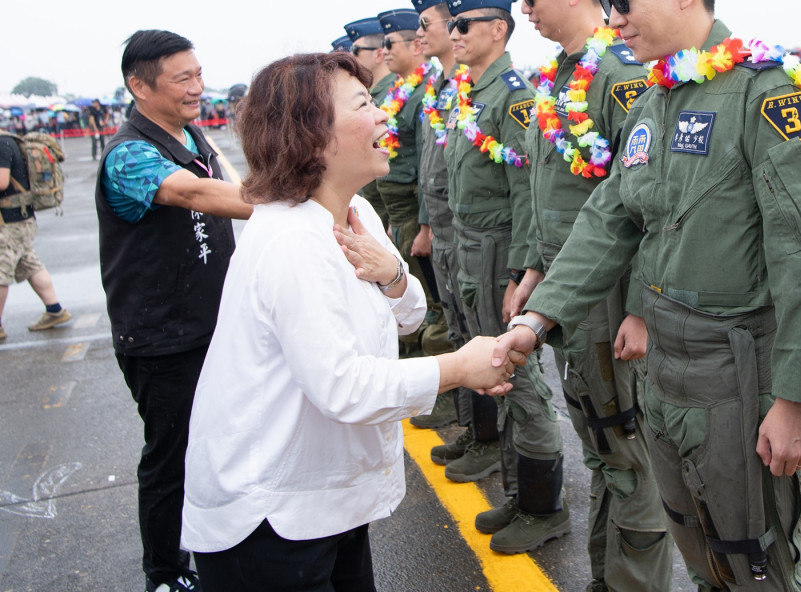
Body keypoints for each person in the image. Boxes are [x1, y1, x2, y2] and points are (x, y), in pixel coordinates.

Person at [494, 0, 801, 591]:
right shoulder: (655, 99)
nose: (612, 17)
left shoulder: (763, 95)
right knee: (698, 555)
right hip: (666, 377)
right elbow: (611, 218)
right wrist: (539, 318)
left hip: (735, 377)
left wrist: (796, 399)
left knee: (753, 562)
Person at [180, 52, 514, 591]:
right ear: (313, 135)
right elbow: (343, 385)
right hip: (272, 517)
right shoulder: (292, 240)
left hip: (324, 501)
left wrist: (392, 278)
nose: (383, 115)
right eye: (364, 104)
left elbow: (408, 318)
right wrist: (457, 367)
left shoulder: (357, 214)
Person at [495, 0, 672, 591]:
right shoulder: (563, 76)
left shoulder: (619, 75)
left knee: (628, 451)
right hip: (571, 292)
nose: (525, 12)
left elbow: (646, 206)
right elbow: (557, 193)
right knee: (602, 445)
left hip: (612, 302)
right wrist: (536, 274)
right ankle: (608, 575)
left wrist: (642, 308)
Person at [97, 29, 253, 592]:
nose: (197, 87)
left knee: (217, 442)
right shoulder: (129, 154)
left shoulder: (189, 133)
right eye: (181, 78)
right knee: (172, 455)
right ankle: (164, 572)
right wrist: (290, 201)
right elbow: (193, 195)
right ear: (139, 86)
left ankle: (220, 545)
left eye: (198, 73)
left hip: (208, 323)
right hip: (161, 336)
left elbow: (226, 186)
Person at [440, 0, 568, 554]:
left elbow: (527, 191)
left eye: (464, 25)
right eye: (453, 25)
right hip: (471, 246)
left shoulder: (513, 97)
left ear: (497, 30)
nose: (453, 34)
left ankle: (544, 508)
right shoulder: (475, 92)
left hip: (500, 254)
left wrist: (522, 272)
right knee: (493, 375)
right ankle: (520, 495)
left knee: (518, 379)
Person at [407, 0, 484, 441]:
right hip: (444, 224)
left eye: (426, 24)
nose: (421, 35)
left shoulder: (470, 88)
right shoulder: (442, 86)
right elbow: (429, 165)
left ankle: (484, 438)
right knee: (456, 327)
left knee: (473, 332)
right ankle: (473, 429)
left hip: (469, 230)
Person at [375, 9, 455, 393]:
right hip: (405, 213)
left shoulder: (429, 90)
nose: (382, 50)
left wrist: (425, 224)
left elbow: (429, 165)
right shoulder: (406, 90)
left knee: (436, 309)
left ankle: (440, 397)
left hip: (427, 216)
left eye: (389, 43)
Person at [0, 130, 71, 340]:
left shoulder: (2, 143)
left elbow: (2, 182)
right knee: (30, 264)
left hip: (10, 221)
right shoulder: (8, 140)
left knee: (1, 272)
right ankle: (54, 309)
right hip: (20, 219)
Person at [344, 17, 393, 227]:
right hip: (377, 200)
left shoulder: (398, 92)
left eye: (355, 50)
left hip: (396, 206)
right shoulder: (377, 93)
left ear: (379, 53)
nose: (348, 56)